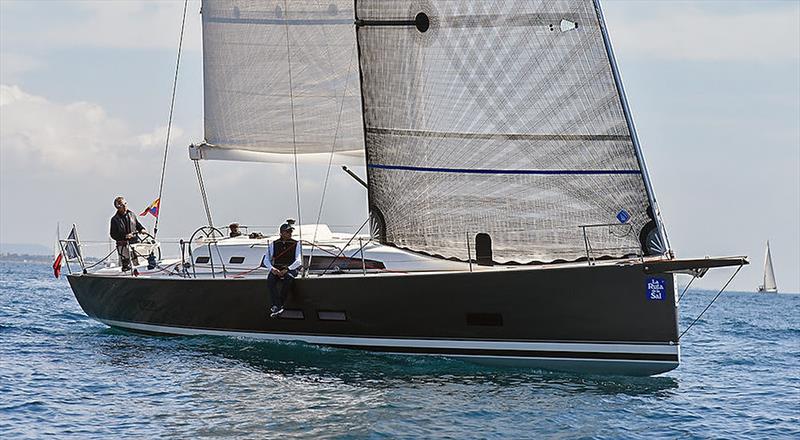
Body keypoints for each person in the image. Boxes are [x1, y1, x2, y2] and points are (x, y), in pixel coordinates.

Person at [263, 220, 301, 318]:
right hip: (277, 268)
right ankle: (278, 305)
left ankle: (278, 304)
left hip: (290, 268)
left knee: (288, 278)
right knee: (270, 280)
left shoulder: (296, 243)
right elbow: (266, 259)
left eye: (290, 232)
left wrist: (287, 269)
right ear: (281, 233)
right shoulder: (273, 244)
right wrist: (272, 269)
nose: (289, 233)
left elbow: (298, 261)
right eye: (287, 232)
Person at [110, 196, 146, 271]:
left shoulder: (132, 214)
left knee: (138, 262)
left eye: (125, 203)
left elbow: (137, 224)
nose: (125, 206)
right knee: (125, 264)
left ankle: (140, 274)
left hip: (135, 243)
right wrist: (125, 236)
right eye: (122, 205)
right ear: (117, 207)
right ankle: (125, 273)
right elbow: (113, 234)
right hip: (123, 245)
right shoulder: (114, 219)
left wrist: (142, 229)